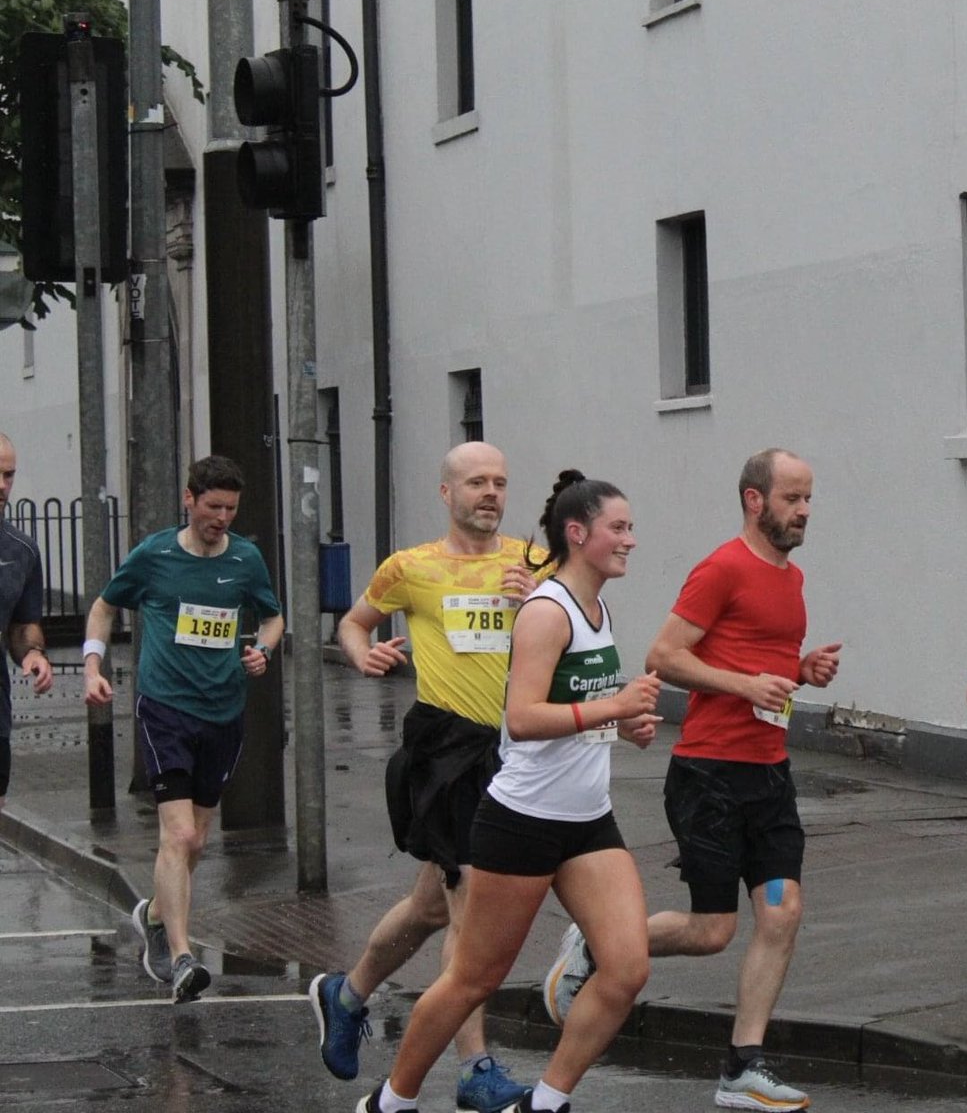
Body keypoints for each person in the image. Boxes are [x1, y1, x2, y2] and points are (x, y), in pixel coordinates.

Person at [544, 448, 841, 1112]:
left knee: (781, 909)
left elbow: (760, 667)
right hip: (708, 772)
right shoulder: (722, 568)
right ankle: (597, 942)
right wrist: (745, 683)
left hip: (767, 771)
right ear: (754, 500)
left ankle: (742, 1068)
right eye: (793, 498)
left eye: (808, 499)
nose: (804, 511)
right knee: (711, 932)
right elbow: (663, 656)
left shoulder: (788, 580)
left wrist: (800, 670)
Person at [356, 470, 662, 1113]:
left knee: (628, 967)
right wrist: (609, 707)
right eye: (619, 528)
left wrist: (625, 724)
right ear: (578, 534)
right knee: (474, 978)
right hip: (522, 818)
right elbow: (520, 718)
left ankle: (545, 1102)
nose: (631, 540)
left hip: (587, 820)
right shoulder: (547, 612)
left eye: (631, 527)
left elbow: (581, 709)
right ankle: (391, 1102)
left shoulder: (598, 607)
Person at [309, 442, 537, 1113]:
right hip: (445, 751)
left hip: (511, 750)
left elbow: (561, 640)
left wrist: (534, 603)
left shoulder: (529, 562)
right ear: (446, 493)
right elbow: (354, 622)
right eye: (475, 482)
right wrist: (361, 653)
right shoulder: (410, 568)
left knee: (428, 909)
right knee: (468, 910)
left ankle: (344, 995)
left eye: (498, 481)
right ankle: (475, 1068)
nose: (490, 493)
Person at [82, 454, 283, 1003]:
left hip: (223, 710)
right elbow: (103, 606)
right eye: (213, 506)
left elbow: (271, 615)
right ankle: (180, 956)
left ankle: (151, 911)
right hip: (164, 707)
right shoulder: (155, 555)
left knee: (197, 839)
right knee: (181, 836)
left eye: (231, 509)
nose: (222, 517)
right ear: (188, 499)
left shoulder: (245, 559)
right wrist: (93, 665)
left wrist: (263, 650)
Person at [0, 433, 54, 809]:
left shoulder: (21, 550)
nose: (2, 485)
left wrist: (33, 654)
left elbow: (21, 626)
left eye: (8, 475)